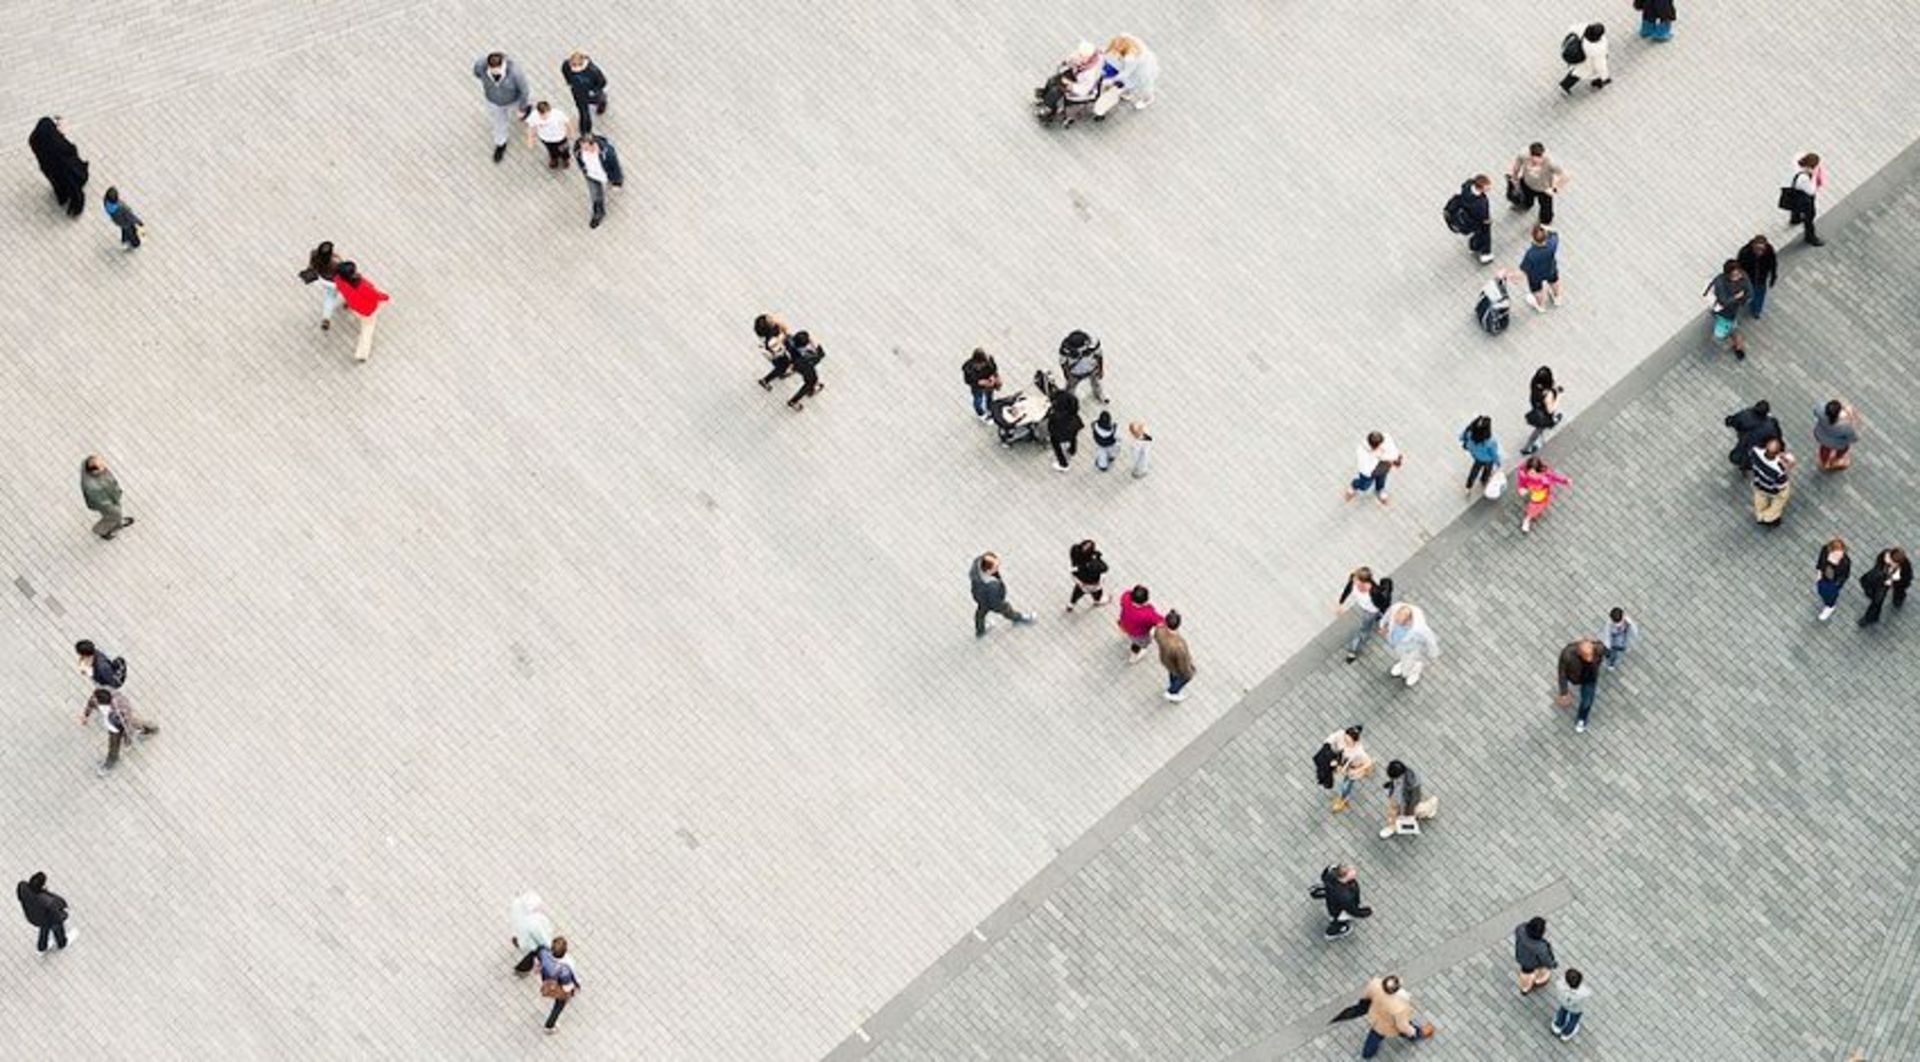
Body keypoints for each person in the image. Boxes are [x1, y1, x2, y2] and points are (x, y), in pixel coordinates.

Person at [473, 52, 532, 162]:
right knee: (499, 122)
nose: (494, 72)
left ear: (502, 65)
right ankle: (500, 144)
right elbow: (477, 73)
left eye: (497, 69)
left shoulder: (515, 73)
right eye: (492, 69)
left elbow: (524, 91)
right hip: (494, 101)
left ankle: (527, 111)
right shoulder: (481, 66)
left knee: (522, 114)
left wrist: (522, 108)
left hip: (513, 100)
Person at [81, 688, 158, 772]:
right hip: (119, 720)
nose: (92, 699)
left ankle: (111, 761)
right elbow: (91, 703)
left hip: (116, 727)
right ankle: (148, 729)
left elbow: (126, 726)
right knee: (133, 722)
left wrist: (127, 741)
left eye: (95, 699)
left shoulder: (119, 710)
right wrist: (86, 715)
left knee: (114, 743)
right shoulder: (102, 696)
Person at [1360, 974, 1436, 1058]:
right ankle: (1418, 1034)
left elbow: (1366, 997)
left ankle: (1367, 1054)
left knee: (1374, 1036)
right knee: (1406, 1030)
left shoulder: (1375, 983)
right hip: (1389, 1024)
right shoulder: (1399, 1008)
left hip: (1375, 1016)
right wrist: (1413, 1032)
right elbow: (1402, 1027)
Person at [28, 116, 88, 217]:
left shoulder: (34, 140)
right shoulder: (56, 143)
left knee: (57, 184)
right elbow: (70, 150)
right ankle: (76, 207)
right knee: (74, 188)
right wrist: (62, 135)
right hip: (64, 169)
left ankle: (62, 197)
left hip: (48, 169)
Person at [333, 262, 390, 363]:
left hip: (355, 306)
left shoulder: (338, 280)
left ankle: (362, 353)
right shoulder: (361, 285)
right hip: (367, 310)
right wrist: (385, 297)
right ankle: (362, 354)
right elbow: (375, 295)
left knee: (362, 320)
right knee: (367, 330)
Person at [970, 553, 1036, 638]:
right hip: (993, 601)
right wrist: (1000, 603)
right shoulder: (992, 585)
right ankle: (1017, 618)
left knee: (980, 614)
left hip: (979, 597)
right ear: (988, 571)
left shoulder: (977, 566)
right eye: (996, 567)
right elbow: (995, 602)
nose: (998, 568)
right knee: (1007, 610)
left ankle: (980, 630)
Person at [1337, 567, 1393, 664]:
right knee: (1375, 618)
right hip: (1365, 608)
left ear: (1364, 582)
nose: (1353, 580)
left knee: (1363, 631)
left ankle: (1353, 651)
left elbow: (1383, 604)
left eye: (1356, 580)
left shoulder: (1375, 592)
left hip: (1371, 612)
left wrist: (1384, 621)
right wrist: (1341, 603)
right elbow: (1347, 589)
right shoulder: (1353, 579)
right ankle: (1380, 617)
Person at [1096, 34, 1159, 114]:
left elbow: (1126, 73)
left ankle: (1148, 99)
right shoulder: (1125, 38)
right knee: (1128, 83)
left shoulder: (1130, 58)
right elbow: (1110, 47)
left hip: (1141, 71)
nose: (1115, 51)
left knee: (1144, 86)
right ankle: (1128, 93)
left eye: (1117, 49)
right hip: (1140, 62)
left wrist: (1111, 80)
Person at [573, 133, 624, 230]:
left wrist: (617, 182)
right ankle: (599, 213)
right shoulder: (578, 149)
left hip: (604, 175)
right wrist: (584, 170)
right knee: (595, 195)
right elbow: (579, 159)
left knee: (607, 187)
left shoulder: (608, 153)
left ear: (593, 145)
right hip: (591, 175)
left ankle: (612, 185)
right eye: (582, 147)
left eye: (586, 148)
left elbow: (615, 169)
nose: (583, 150)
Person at [1507, 143, 1568, 224]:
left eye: (1539, 160)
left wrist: (1554, 189)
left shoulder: (1551, 162)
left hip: (1544, 189)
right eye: (1533, 161)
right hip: (1527, 184)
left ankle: (1544, 222)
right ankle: (1526, 205)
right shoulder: (1523, 155)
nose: (1536, 163)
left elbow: (1565, 176)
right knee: (1526, 201)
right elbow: (1517, 166)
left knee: (1546, 212)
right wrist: (1514, 177)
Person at [1705, 259, 1753, 360]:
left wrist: (1742, 299)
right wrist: (1736, 297)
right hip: (1721, 310)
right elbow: (1723, 301)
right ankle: (1737, 345)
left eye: (1738, 274)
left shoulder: (1743, 276)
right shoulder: (1720, 281)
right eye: (1734, 276)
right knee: (1729, 329)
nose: (1737, 277)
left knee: (1729, 329)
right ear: (1727, 274)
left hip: (1730, 313)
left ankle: (1738, 346)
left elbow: (1749, 292)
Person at [80, 455, 135, 540]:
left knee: (115, 514)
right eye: (101, 464)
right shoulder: (92, 486)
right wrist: (113, 506)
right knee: (114, 515)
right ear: (95, 470)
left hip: (111, 497)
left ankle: (117, 523)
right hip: (106, 504)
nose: (104, 464)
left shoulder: (100, 472)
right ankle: (100, 530)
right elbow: (101, 501)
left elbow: (111, 482)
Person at [1311, 864, 1372, 940]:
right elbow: (1352, 910)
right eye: (1351, 871)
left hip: (1332, 904)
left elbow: (1325, 875)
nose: (1354, 870)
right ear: (1345, 877)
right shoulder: (1345, 896)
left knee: (1335, 915)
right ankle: (1331, 933)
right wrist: (1363, 912)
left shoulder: (1331, 874)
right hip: (1338, 911)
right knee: (1339, 920)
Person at [1383, 604, 1439, 687]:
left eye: (1399, 621)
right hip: (1399, 645)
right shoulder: (1396, 613)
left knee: (1407, 667)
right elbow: (1388, 618)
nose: (1395, 621)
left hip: (1411, 649)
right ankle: (1404, 664)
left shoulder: (1418, 629)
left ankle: (1415, 670)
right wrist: (1383, 625)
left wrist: (1433, 652)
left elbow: (1430, 639)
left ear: (1407, 621)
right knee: (1403, 657)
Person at [1556, 638, 1604, 733]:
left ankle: (1581, 719)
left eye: (1591, 655)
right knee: (1587, 699)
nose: (1590, 658)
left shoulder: (1598, 648)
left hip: (1590, 679)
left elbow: (1605, 650)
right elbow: (1562, 673)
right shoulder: (1567, 654)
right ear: (1579, 653)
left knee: (1587, 702)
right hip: (1575, 677)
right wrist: (1564, 692)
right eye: (1587, 656)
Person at [15, 872, 70, 953]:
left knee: (44, 929)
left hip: (33, 917)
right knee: (56, 926)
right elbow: (56, 916)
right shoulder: (47, 901)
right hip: (46, 918)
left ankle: (42, 946)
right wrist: (63, 915)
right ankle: (61, 942)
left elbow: (20, 896)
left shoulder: (22, 887)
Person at [1344, 432, 1403, 505]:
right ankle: (1354, 485)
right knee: (1364, 486)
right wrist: (1378, 455)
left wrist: (1383, 456)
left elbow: (1393, 453)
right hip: (1369, 472)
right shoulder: (1362, 450)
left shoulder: (1386, 439)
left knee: (1382, 479)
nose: (1381, 446)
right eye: (1379, 445)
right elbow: (1364, 466)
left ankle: (1380, 490)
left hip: (1383, 467)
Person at [1858, 547, 1912, 628]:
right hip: (1882, 582)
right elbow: (1877, 567)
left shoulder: (1905, 565)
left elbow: (1907, 578)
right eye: (1893, 562)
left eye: (1895, 564)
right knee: (1877, 601)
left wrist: (1896, 579)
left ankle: (1898, 598)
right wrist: (1885, 574)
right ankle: (1871, 617)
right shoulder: (1884, 555)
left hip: (1897, 582)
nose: (1893, 564)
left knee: (1899, 590)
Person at [1749, 436, 1796, 527]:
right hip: (1771, 489)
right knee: (1779, 501)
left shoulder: (1755, 452)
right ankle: (1768, 517)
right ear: (1778, 453)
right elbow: (1780, 486)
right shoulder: (1778, 469)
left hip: (1759, 483)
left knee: (1760, 498)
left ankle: (1759, 514)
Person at [1516, 456, 1571, 534]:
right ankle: (1527, 520)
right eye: (1529, 472)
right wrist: (1521, 489)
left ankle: (1531, 516)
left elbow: (1555, 477)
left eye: (1533, 473)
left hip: (1543, 494)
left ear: (1539, 470)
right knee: (1533, 509)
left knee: (1541, 505)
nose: (1531, 475)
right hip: (1535, 497)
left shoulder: (1546, 474)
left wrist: (1565, 480)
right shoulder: (1523, 474)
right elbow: (1521, 483)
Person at [537, 936, 580, 1034]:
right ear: (565, 951)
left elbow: (539, 955)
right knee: (559, 1005)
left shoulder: (544, 954)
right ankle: (549, 1026)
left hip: (547, 981)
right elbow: (567, 987)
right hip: (558, 987)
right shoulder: (565, 969)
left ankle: (549, 1026)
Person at [1325, 725, 1372, 813]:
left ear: (1355, 740)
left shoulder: (1359, 751)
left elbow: (1368, 762)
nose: (1345, 741)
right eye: (1345, 738)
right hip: (1346, 767)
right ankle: (1367, 772)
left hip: (1353, 770)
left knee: (1345, 786)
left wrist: (1357, 770)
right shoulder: (1343, 738)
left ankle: (1343, 800)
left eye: (1348, 740)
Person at [1723, 400, 1780, 471]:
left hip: (1744, 441)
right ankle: (1746, 467)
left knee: (1741, 454)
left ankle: (1742, 465)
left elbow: (1732, 421)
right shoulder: (1771, 425)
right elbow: (1776, 437)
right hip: (1757, 448)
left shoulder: (1745, 414)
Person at [561, 51, 609, 135]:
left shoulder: (593, 71)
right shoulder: (566, 65)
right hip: (579, 94)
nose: (572, 69)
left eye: (575, 67)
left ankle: (602, 104)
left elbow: (602, 82)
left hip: (591, 93)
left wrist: (593, 91)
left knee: (600, 99)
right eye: (572, 65)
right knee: (583, 113)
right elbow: (566, 73)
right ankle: (585, 130)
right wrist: (570, 83)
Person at [1520, 367, 1564, 456]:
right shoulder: (1548, 394)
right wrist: (1559, 396)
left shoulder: (1534, 381)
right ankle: (1527, 448)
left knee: (1543, 423)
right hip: (1543, 414)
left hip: (1535, 404)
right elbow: (1550, 409)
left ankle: (1553, 421)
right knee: (1539, 428)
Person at [1519, 225, 1562, 313]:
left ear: (1533, 238)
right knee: (1554, 281)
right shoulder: (1552, 244)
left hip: (1535, 275)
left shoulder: (1531, 254)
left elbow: (1524, 268)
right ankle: (1557, 297)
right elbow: (1555, 233)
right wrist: (1546, 228)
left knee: (1537, 290)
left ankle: (1540, 304)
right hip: (1550, 269)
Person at [1559, 23, 1611, 95]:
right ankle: (1597, 83)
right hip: (1588, 64)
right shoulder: (1598, 48)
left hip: (1579, 59)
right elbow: (1600, 65)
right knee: (1595, 73)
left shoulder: (1583, 28)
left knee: (1575, 74)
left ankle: (1564, 85)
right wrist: (1605, 77)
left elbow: (1572, 30)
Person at [1786, 152, 1826, 247]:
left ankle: (1795, 219)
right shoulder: (1804, 177)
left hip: (1794, 192)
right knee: (1810, 215)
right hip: (1804, 197)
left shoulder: (1797, 167)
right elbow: (1810, 191)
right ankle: (1810, 237)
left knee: (1795, 206)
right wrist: (1815, 181)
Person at [1155, 611, 1196, 702]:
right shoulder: (1179, 646)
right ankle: (1172, 692)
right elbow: (1183, 664)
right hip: (1176, 664)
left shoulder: (1159, 630)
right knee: (1181, 678)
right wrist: (1189, 673)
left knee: (1172, 673)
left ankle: (1172, 687)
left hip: (1165, 659)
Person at [1058, 331, 1107, 405]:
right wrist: (1067, 374)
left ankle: (1099, 394)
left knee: (1096, 383)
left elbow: (1099, 356)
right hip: (1075, 373)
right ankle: (1068, 402)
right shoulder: (1066, 350)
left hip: (1092, 368)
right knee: (1070, 388)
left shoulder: (1092, 345)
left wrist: (1100, 369)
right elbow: (1063, 362)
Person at [1380, 760, 1427, 838]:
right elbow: (1394, 782)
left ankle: (1429, 807)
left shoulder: (1413, 782)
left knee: (1413, 812)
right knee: (1391, 812)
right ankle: (1391, 827)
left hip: (1405, 801)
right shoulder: (1399, 771)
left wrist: (1409, 811)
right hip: (1397, 796)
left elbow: (1414, 798)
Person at [302, 242, 343, 330]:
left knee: (329, 298)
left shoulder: (314, 254)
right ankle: (348, 303)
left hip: (322, 280)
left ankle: (326, 318)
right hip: (334, 283)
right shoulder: (335, 262)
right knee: (340, 294)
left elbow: (311, 265)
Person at [1117, 585, 1163, 664]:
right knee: (1138, 644)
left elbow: (1125, 597)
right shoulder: (1147, 613)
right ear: (1146, 600)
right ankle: (1134, 656)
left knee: (1129, 633)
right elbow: (1160, 621)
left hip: (1124, 623)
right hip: (1137, 634)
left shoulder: (1125, 597)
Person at [1458, 415, 1503, 496]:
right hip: (1487, 459)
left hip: (1476, 456)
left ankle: (1468, 487)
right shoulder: (1490, 441)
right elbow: (1494, 454)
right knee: (1488, 470)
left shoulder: (1469, 433)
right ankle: (1484, 480)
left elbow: (1461, 437)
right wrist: (1498, 463)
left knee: (1474, 471)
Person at [1514, 916, 1558, 994]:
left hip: (1521, 956)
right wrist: (1552, 964)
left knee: (1525, 972)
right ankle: (1538, 980)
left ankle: (1525, 988)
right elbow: (1546, 959)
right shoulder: (1540, 947)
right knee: (1539, 970)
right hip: (1533, 962)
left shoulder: (1520, 929)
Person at [783, 330, 825, 411]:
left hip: (795, 363)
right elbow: (821, 354)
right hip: (805, 368)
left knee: (811, 379)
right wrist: (813, 343)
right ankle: (793, 401)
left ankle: (811, 389)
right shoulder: (809, 355)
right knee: (811, 381)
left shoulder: (789, 341)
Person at [1737, 235, 1779, 318]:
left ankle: (1757, 310)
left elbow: (1773, 264)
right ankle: (1751, 303)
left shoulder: (1769, 252)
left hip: (1761, 279)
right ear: (1753, 245)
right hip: (1749, 279)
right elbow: (1739, 267)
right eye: (1757, 249)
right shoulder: (1745, 252)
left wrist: (1773, 277)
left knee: (1760, 294)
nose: (1760, 252)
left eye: (1762, 250)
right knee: (1751, 294)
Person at [1045, 383, 1083, 471]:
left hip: (1062, 429)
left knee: (1055, 444)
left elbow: (1052, 420)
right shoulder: (1071, 398)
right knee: (1073, 437)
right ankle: (1072, 450)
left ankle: (1063, 464)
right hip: (1074, 424)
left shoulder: (1057, 412)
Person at [1813, 400, 1860, 471]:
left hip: (1820, 435)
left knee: (1825, 448)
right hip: (1837, 444)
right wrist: (1851, 418)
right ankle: (1836, 459)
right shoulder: (1845, 426)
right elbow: (1853, 438)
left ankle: (1824, 462)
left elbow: (1816, 409)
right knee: (1843, 449)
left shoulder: (1820, 411)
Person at [524, 101, 573, 169]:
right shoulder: (534, 116)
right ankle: (554, 159)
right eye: (542, 115)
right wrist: (530, 139)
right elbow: (530, 128)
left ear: (549, 110)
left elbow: (568, 122)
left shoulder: (558, 114)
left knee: (564, 150)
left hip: (560, 138)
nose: (544, 117)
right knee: (551, 150)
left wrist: (570, 132)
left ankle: (566, 159)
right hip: (546, 139)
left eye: (546, 114)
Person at [1458, 175, 1494, 264]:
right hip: (1478, 221)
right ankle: (1485, 253)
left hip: (1467, 217)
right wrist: (1488, 221)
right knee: (1485, 234)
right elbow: (1484, 217)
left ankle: (1474, 246)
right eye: (1487, 187)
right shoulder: (1481, 202)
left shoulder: (1468, 186)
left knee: (1478, 233)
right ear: (1481, 188)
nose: (1489, 188)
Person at [1815, 538, 1851, 622]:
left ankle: (1830, 606)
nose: (1840, 556)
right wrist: (1819, 573)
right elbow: (1820, 562)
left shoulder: (1845, 562)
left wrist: (1836, 585)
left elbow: (1845, 575)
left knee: (1831, 596)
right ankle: (1828, 602)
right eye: (1836, 553)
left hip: (1833, 582)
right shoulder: (1825, 550)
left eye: (1841, 553)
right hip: (1823, 578)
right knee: (1821, 591)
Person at [1066, 539, 1108, 611]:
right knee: (1097, 592)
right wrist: (1098, 558)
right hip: (1092, 583)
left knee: (1077, 593)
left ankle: (1070, 605)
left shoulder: (1075, 553)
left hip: (1080, 581)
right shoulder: (1092, 565)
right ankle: (1097, 601)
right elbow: (1104, 568)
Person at [1552, 968, 1591, 1041]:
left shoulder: (1560, 984)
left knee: (1562, 1013)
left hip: (1563, 1002)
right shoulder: (1583, 992)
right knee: (1573, 1020)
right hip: (1576, 1009)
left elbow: (1559, 981)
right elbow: (1587, 995)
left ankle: (1557, 1026)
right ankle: (1566, 1034)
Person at [754, 313, 792, 389]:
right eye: (770, 320)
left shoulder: (764, 331)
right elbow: (778, 348)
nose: (772, 319)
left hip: (772, 350)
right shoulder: (771, 340)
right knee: (783, 364)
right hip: (774, 353)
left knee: (782, 363)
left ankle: (781, 372)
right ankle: (765, 380)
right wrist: (783, 337)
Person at [961, 348, 1000, 420]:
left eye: (985, 363)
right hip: (977, 388)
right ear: (976, 362)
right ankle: (981, 414)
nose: (984, 365)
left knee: (990, 397)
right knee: (978, 401)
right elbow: (967, 381)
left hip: (989, 385)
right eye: (982, 364)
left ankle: (990, 408)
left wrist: (994, 377)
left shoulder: (989, 360)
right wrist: (979, 382)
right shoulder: (968, 368)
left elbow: (994, 369)